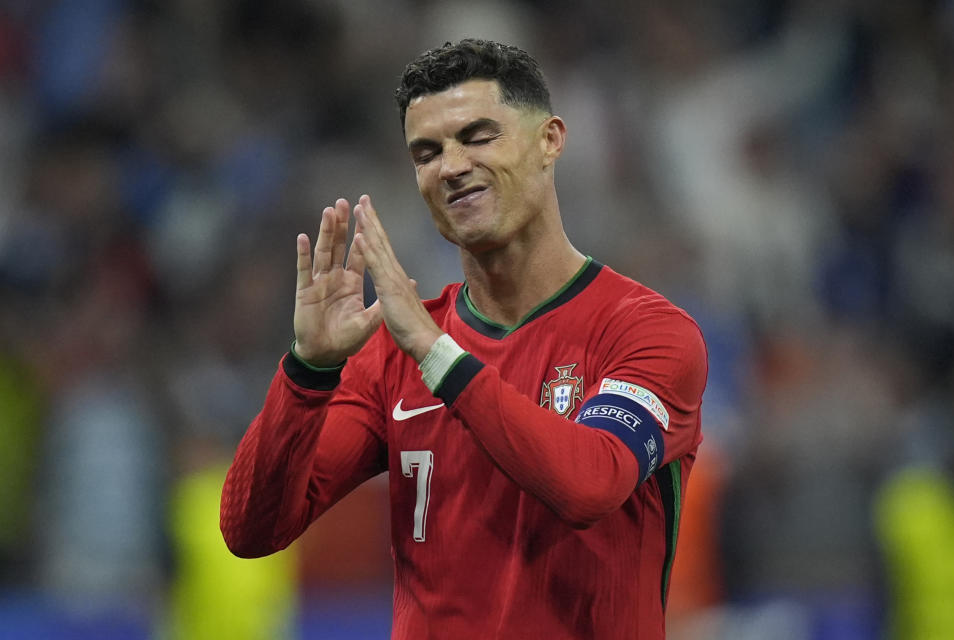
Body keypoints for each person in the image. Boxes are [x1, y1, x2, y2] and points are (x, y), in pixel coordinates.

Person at [221, 38, 708, 640]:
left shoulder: (646, 331)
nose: (451, 166)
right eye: (426, 152)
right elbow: (251, 530)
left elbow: (590, 484)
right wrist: (307, 371)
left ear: (550, 140)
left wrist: (436, 353)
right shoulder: (392, 350)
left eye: (479, 136)